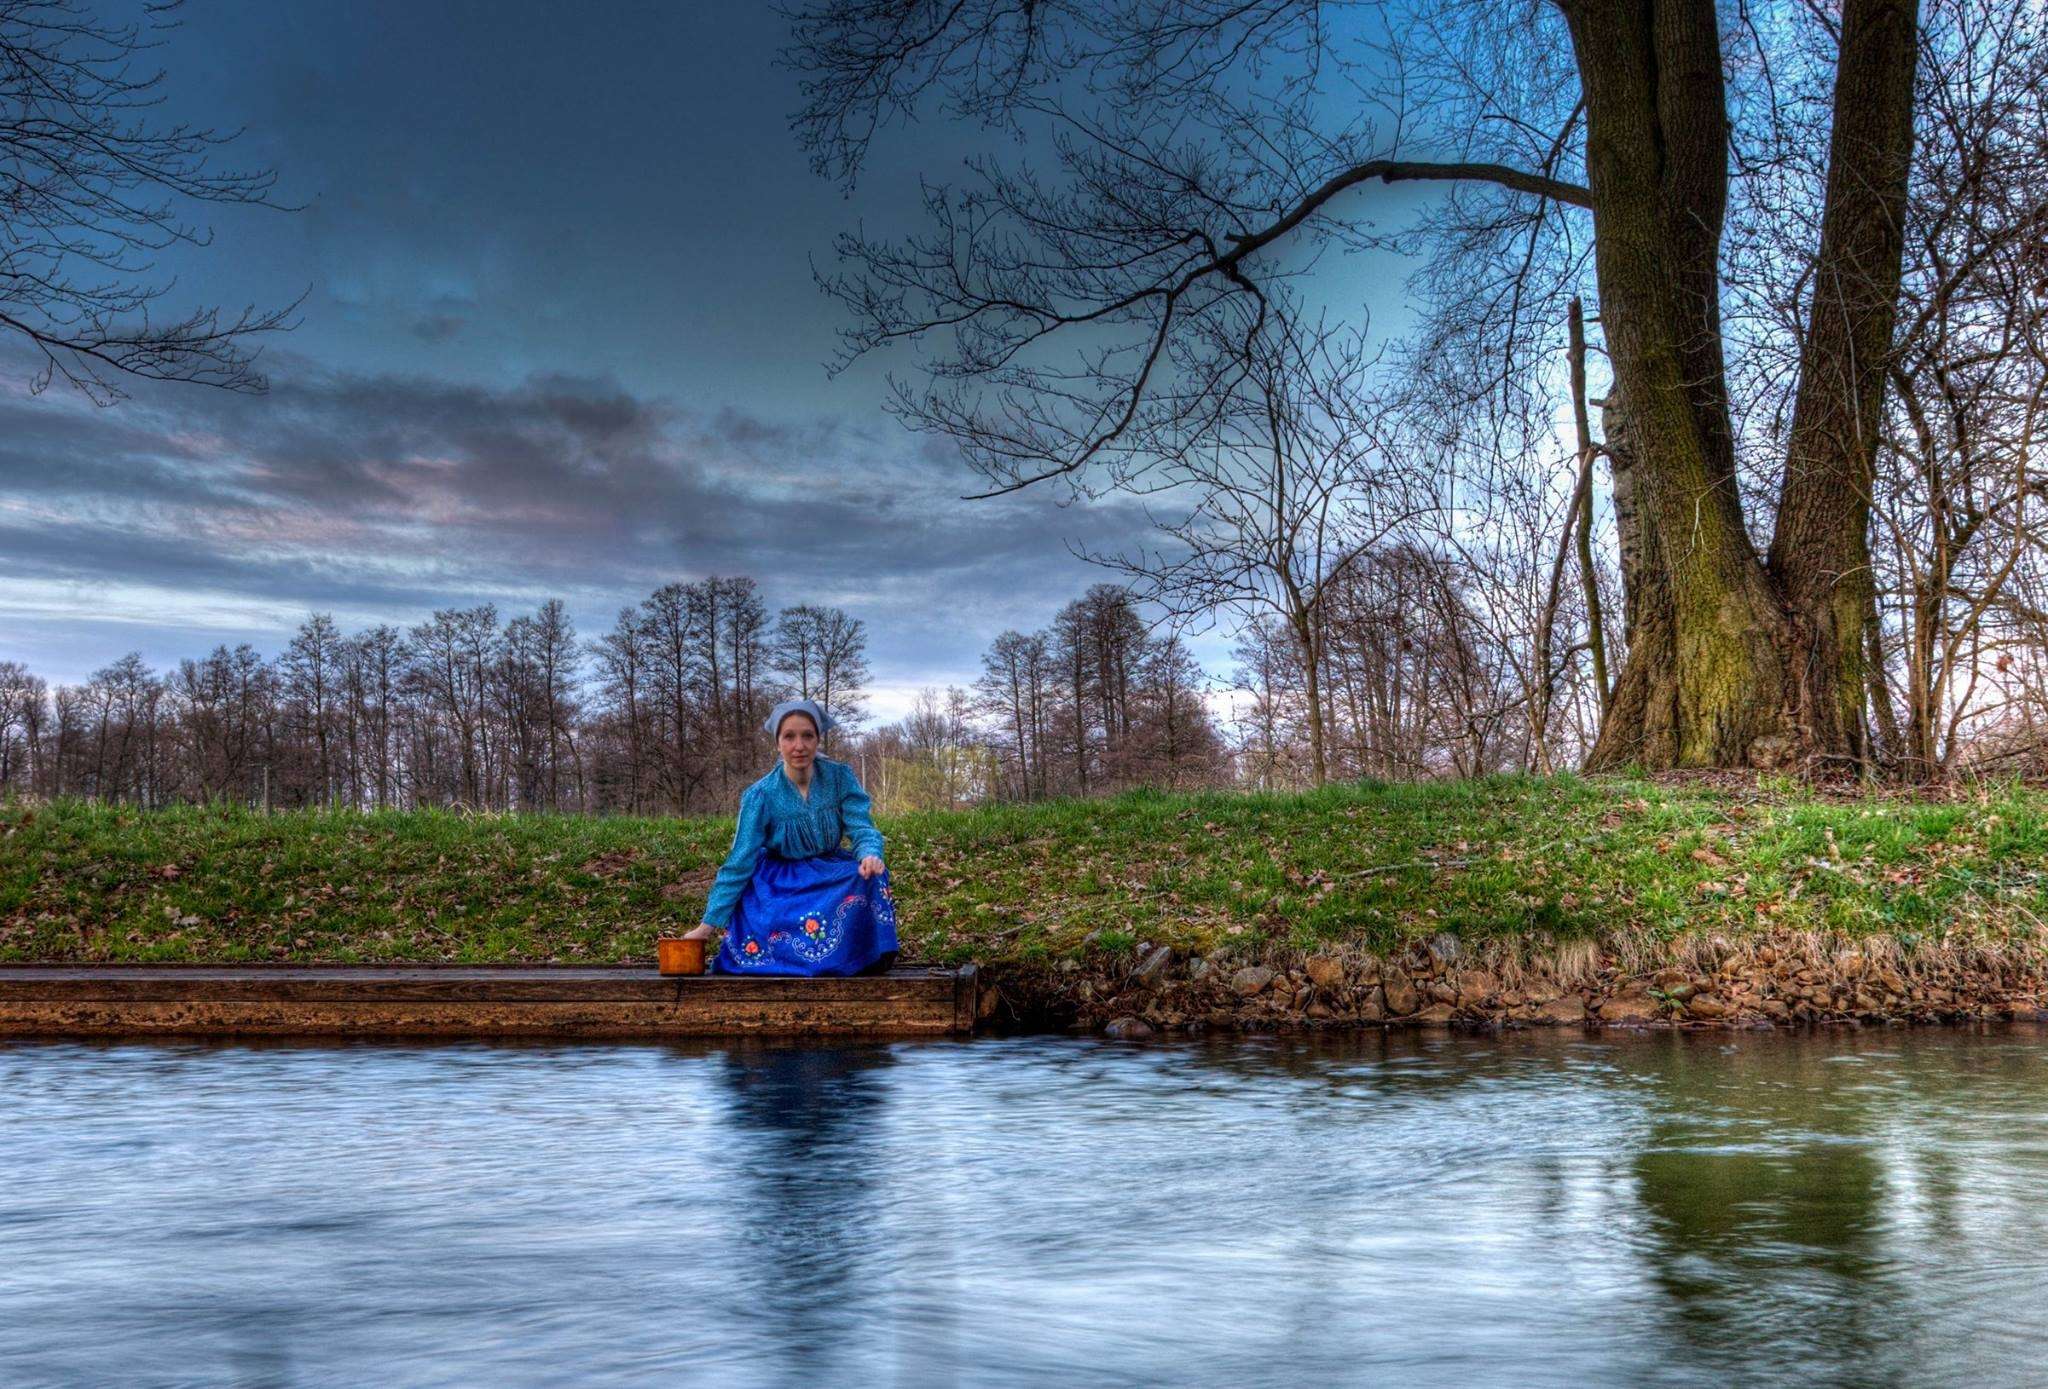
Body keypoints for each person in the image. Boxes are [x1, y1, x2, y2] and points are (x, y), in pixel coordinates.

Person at [681, 698, 899, 976]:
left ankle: (867, 956)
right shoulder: (760, 795)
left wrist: (870, 853)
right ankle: (797, 958)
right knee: (765, 908)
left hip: (828, 872)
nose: (799, 746)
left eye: (808, 736)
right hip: (781, 882)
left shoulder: (839, 777)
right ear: (777, 743)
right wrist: (706, 927)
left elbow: (861, 827)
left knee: (869, 875)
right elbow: (739, 861)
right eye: (789, 737)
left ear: (818, 739)